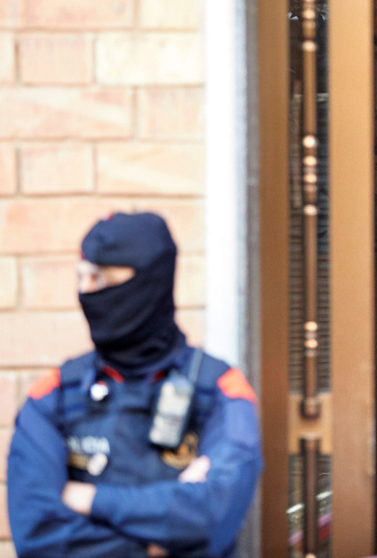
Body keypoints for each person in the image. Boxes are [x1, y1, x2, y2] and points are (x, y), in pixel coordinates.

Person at [7, 213, 263, 557]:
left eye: (100, 278)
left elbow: (212, 516)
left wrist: (88, 498)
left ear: (148, 283)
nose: (86, 292)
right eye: (81, 278)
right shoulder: (53, 395)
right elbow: (39, 536)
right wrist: (158, 546)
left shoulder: (221, 391)